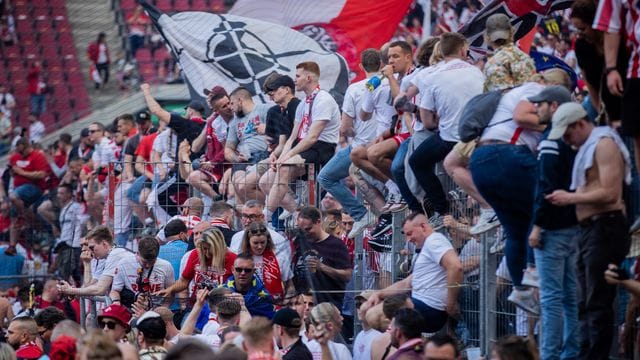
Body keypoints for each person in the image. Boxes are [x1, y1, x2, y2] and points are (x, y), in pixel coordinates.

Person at [468, 69, 572, 313]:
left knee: (515, 230)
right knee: (544, 205)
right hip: (508, 154)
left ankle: (522, 290)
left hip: (482, 161)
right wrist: (561, 125)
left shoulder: (517, 92)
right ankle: (535, 273)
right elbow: (522, 116)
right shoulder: (534, 89)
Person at [545, 102, 632, 359]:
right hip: (591, 230)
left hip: (605, 227)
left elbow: (611, 193)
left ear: (580, 124)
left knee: (597, 302)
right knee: (585, 302)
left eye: (569, 134)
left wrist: (570, 198)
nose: (568, 141)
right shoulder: (588, 146)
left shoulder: (604, 144)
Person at [526, 86, 580, 360]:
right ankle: (570, 353)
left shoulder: (550, 141)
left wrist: (538, 225)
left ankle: (550, 356)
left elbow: (545, 188)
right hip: (572, 225)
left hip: (553, 229)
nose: (536, 109)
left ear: (555, 107)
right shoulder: (572, 139)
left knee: (551, 299)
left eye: (541, 104)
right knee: (570, 297)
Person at [410, 32, 484, 221]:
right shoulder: (477, 72)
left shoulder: (433, 76)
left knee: (417, 162)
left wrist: (438, 124)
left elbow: (426, 121)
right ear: (463, 51)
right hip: (478, 136)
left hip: (450, 138)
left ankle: (442, 209)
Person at [262, 61, 340, 219]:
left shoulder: (323, 99)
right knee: (265, 181)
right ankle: (298, 212)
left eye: (298, 76)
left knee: (284, 167)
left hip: (322, 148)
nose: (294, 80)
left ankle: (265, 217)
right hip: (304, 146)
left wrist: (286, 157)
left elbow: (312, 138)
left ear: (309, 78)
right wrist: (281, 156)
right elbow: (292, 138)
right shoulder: (304, 103)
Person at [365, 212, 463, 333]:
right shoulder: (427, 247)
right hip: (420, 304)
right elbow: (406, 284)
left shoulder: (434, 241)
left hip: (430, 308)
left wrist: (451, 302)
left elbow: (456, 267)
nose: (408, 239)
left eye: (410, 234)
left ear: (423, 227)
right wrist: (379, 294)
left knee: (374, 316)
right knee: (368, 308)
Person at [317, 49, 380, 235]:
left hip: (361, 146)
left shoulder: (355, 88)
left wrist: (354, 131)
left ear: (361, 66)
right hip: (387, 143)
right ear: (382, 64)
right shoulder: (391, 84)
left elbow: (344, 128)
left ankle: (360, 214)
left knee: (325, 177)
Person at [292, 206, 352, 309]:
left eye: (308, 229)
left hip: (328, 305)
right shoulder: (300, 241)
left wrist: (322, 267)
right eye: (302, 230)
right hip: (304, 305)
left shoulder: (336, 245)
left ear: (318, 222)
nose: (305, 233)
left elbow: (347, 275)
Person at [156, 227, 236, 299]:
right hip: (197, 304)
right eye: (204, 248)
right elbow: (184, 281)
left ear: (219, 247)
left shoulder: (233, 258)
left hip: (222, 305)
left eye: (210, 249)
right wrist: (169, 290)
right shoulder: (195, 254)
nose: (207, 253)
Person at [57, 225, 136, 297]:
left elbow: (100, 289)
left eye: (92, 247)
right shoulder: (107, 256)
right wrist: (87, 263)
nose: (85, 249)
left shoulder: (115, 254)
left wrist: (71, 290)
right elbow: (90, 286)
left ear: (104, 244)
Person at [110, 236, 175, 308]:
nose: (147, 266)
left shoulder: (166, 266)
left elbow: (171, 292)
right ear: (138, 254)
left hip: (156, 311)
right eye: (144, 262)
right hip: (131, 308)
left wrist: (163, 309)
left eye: (152, 262)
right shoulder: (123, 264)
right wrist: (116, 302)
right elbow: (115, 290)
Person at [239, 222, 293, 302]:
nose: (260, 246)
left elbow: (289, 285)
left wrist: (288, 299)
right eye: (255, 243)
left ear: (268, 240)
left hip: (274, 304)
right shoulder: (240, 259)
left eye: (262, 242)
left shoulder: (279, 257)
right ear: (248, 241)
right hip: (249, 304)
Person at [229, 200, 291, 268]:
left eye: (252, 216)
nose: (248, 220)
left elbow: (284, 269)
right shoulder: (236, 237)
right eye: (244, 216)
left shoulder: (277, 239)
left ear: (262, 217)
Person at [222, 253, 275, 318]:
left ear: (254, 271)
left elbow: (266, 322)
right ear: (233, 270)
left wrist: (242, 306)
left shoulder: (262, 296)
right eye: (239, 269)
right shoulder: (222, 293)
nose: (243, 273)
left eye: (247, 270)